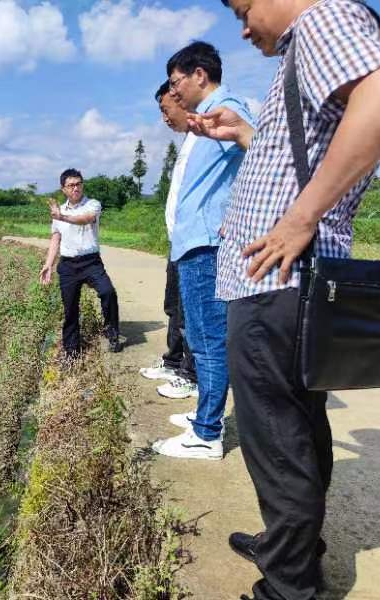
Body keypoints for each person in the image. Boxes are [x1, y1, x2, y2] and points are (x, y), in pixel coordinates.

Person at [189, 1, 380, 598]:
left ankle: (287, 588)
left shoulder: (323, 18)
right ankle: (291, 546)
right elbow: (301, 159)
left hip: (278, 282)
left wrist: (302, 218)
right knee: (299, 431)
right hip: (287, 283)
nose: (244, 27)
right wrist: (245, 135)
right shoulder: (305, 45)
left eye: (244, 8)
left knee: (277, 440)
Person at [152, 42, 254, 460]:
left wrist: (240, 213)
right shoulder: (204, 119)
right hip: (194, 243)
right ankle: (205, 416)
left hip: (206, 244)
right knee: (199, 337)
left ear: (199, 74)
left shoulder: (227, 109)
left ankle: (207, 433)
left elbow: (262, 159)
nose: (174, 92)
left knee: (209, 340)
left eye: (176, 82)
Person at [139, 82, 199, 401]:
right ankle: (175, 362)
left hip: (194, 243)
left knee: (191, 314)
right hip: (178, 242)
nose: (164, 118)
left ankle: (191, 375)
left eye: (166, 109)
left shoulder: (205, 138)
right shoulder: (188, 141)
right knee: (174, 307)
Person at [39, 168, 121, 358]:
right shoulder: (59, 211)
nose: (75, 188)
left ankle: (111, 332)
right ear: (63, 189)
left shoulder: (92, 204)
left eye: (78, 184)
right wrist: (48, 264)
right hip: (68, 265)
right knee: (70, 308)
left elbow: (86, 219)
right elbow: (55, 239)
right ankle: (71, 350)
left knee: (108, 292)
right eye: (71, 185)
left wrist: (62, 217)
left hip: (91, 262)